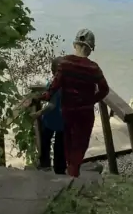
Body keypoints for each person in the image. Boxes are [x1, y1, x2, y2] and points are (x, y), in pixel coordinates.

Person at [38, 29, 110, 178]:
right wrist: (90, 100)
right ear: (90, 49)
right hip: (85, 114)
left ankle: (70, 177)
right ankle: (73, 174)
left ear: (75, 44)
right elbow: (104, 90)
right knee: (79, 148)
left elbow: (51, 90)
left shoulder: (64, 63)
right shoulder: (94, 68)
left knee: (68, 147)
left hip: (68, 113)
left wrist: (37, 98)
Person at [36, 57, 66, 175]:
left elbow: (51, 105)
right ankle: (59, 170)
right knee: (59, 147)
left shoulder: (54, 84)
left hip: (50, 120)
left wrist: (38, 113)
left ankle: (45, 166)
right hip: (62, 121)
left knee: (45, 143)